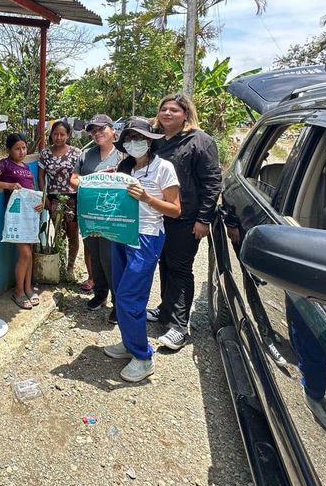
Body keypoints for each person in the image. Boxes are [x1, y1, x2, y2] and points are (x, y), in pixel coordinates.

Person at [101, 118, 181, 382]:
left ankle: (143, 357)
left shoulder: (163, 168)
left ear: (150, 141)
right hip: (122, 233)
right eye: (129, 139)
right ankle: (129, 343)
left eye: (140, 138)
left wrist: (147, 198)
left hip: (146, 236)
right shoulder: (125, 168)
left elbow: (175, 209)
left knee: (130, 296)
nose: (134, 143)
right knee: (120, 290)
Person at [148, 93, 222, 350]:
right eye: (164, 109)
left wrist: (204, 219)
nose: (168, 113)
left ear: (186, 114)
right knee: (164, 263)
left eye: (174, 110)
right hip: (159, 214)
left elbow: (212, 182)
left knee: (180, 268)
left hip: (186, 218)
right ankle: (165, 309)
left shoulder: (200, 141)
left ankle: (179, 326)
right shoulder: (155, 140)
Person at [71, 113, 123, 322]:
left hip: (114, 217)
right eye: (93, 131)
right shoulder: (87, 155)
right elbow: (73, 179)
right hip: (90, 215)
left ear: (112, 129)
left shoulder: (123, 154)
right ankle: (100, 294)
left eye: (101, 129)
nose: (97, 133)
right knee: (95, 256)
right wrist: (93, 182)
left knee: (111, 259)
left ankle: (119, 303)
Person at [0, 133, 42, 310]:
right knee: (25, 254)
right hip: (16, 217)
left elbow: (31, 190)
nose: (22, 152)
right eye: (17, 149)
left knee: (29, 252)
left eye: (24, 148)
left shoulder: (26, 167)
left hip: (30, 214)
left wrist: (39, 204)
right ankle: (18, 291)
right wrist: (8, 185)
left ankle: (28, 288)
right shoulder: (4, 164)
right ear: (9, 150)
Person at [37, 120, 82, 277]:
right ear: (51, 134)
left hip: (72, 197)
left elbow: (80, 176)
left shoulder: (76, 153)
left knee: (72, 232)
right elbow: (41, 177)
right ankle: (59, 264)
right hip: (53, 197)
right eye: (55, 134)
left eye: (62, 134)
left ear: (68, 135)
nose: (58, 137)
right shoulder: (45, 153)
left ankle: (70, 268)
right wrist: (45, 197)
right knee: (58, 231)